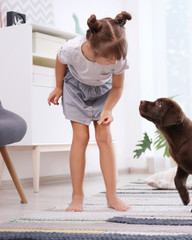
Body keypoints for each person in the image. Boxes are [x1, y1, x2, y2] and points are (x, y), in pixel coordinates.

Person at [47, 11, 132, 212]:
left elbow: (117, 88)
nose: (114, 63)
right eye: (109, 60)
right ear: (93, 50)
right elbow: (60, 60)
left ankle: (112, 196)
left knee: (104, 137)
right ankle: (77, 197)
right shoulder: (72, 49)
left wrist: (108, 110)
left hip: (104, 91)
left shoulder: (118, 59)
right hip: (75, 88)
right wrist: (58, 87)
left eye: (116, 60)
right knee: (81, 137)